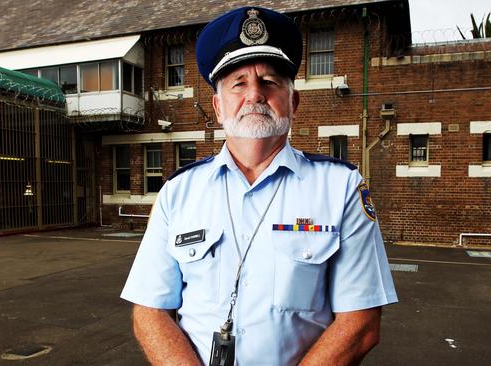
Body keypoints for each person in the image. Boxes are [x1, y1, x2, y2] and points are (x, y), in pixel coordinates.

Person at [121, 6, 397, 365]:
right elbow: (150, 312)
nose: (255, 94)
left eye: (269, 82)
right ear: (218, 108)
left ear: (293, 102)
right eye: (239, 83)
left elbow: (360, 323)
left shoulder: (340, 188)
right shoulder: (178, 192)